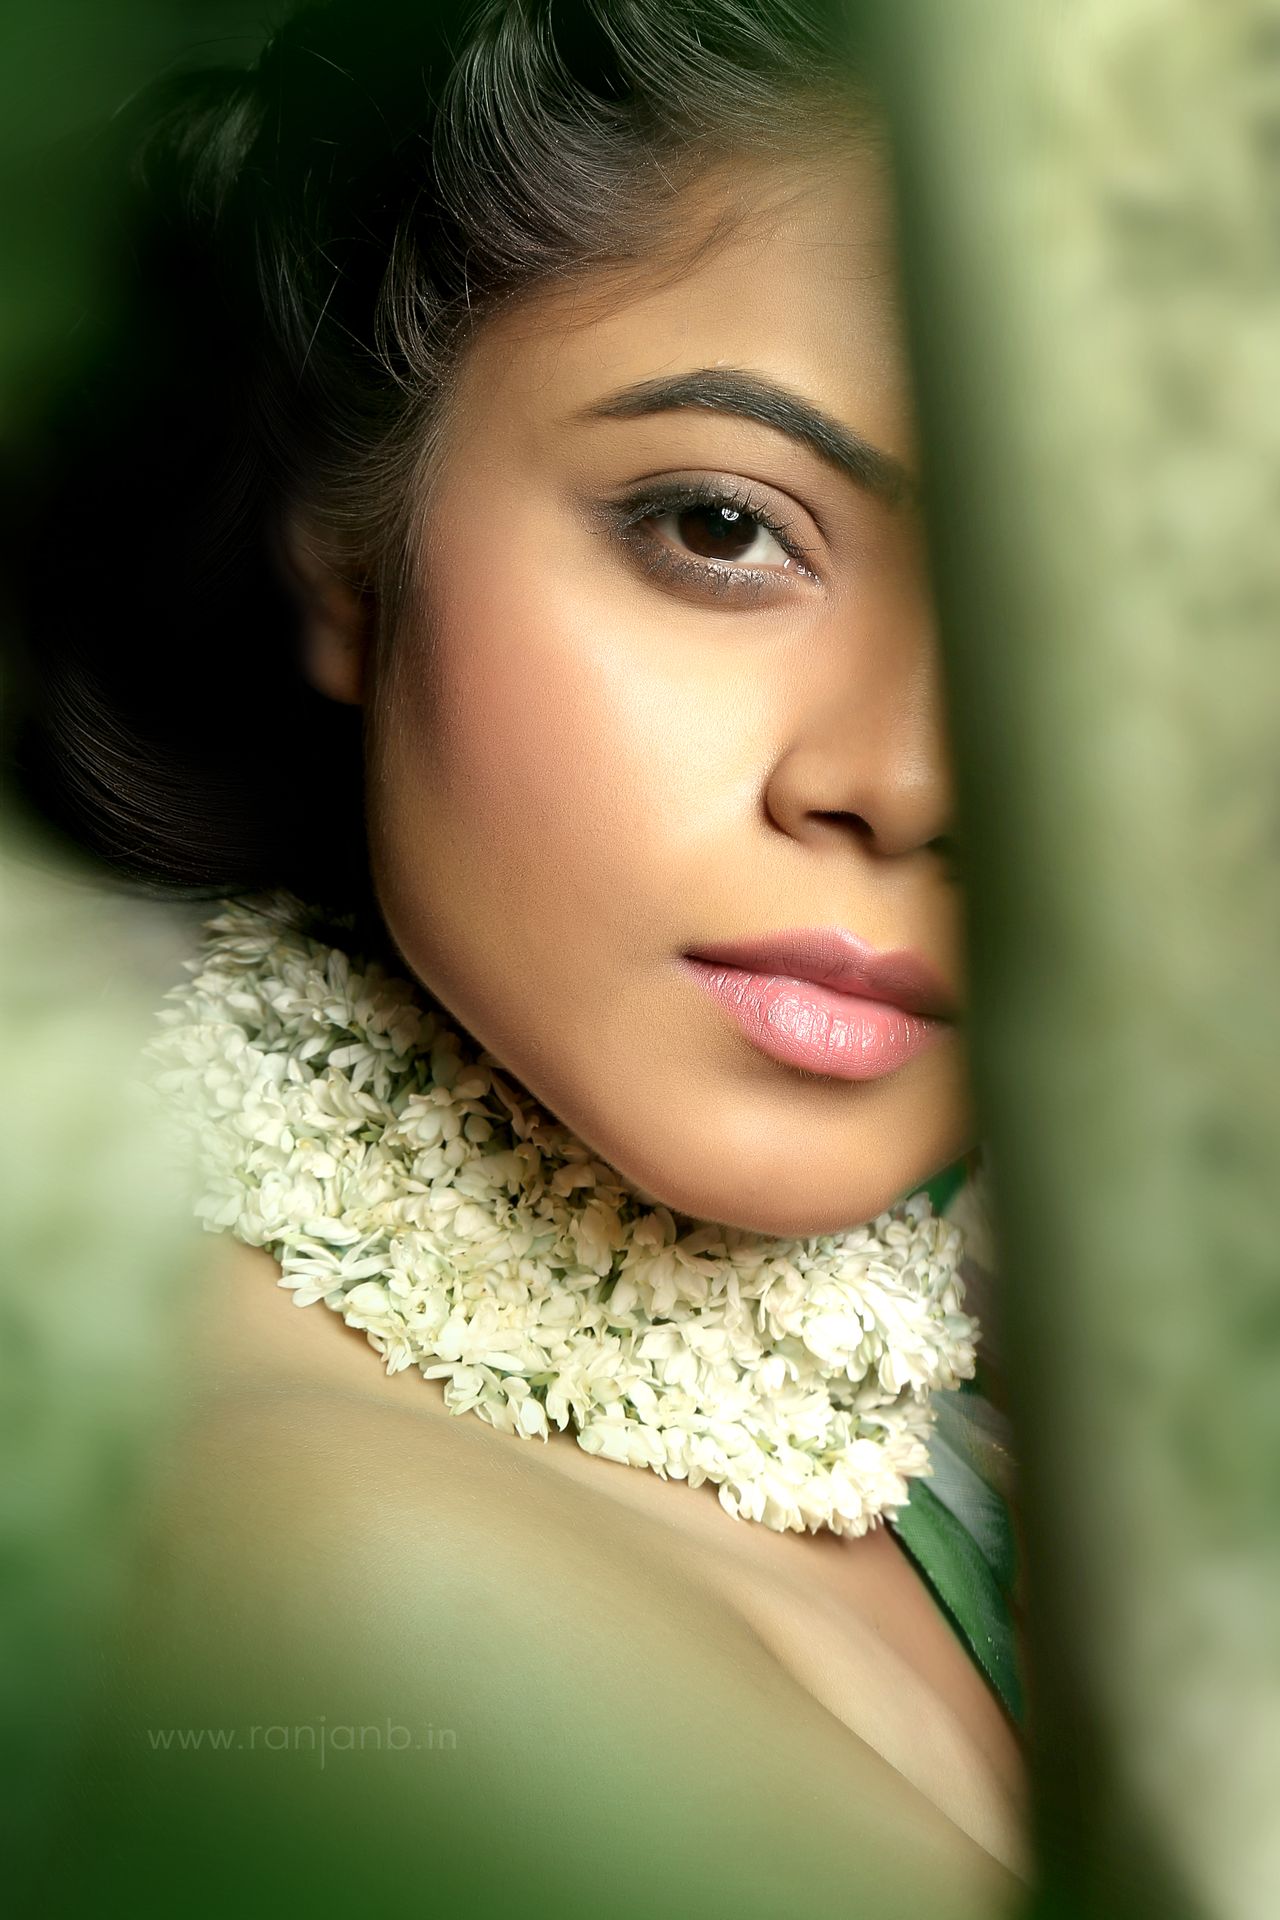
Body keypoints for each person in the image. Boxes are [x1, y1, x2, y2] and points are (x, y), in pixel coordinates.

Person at [5, 2, 1029, 1912]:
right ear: (344, 539)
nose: (907, 777)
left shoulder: (965, 1396)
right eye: (722, 527)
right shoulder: (341, 1587)